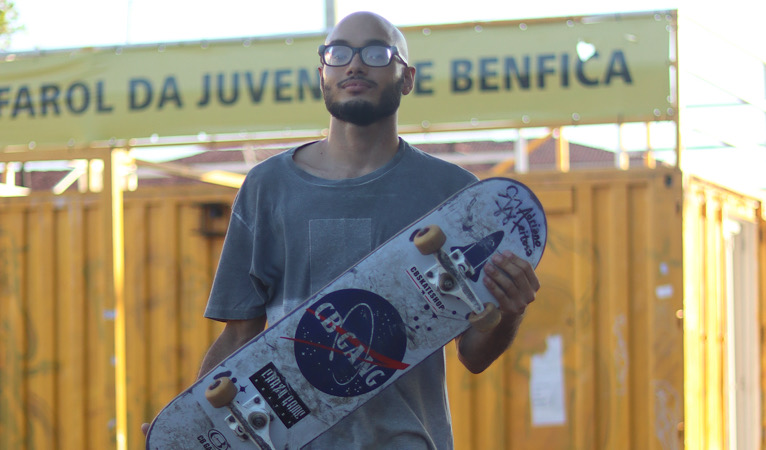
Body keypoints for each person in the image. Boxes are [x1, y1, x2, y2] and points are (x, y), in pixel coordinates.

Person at [144, 11, 539, 449]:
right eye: (338, 53)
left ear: (406, 78)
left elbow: (474, 356)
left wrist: (510, 310)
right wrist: (193, 428)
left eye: (375, 52)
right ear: (322, 74)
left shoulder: (453, 195)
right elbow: (239, 337)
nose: (354, 64)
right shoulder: (267, 186)